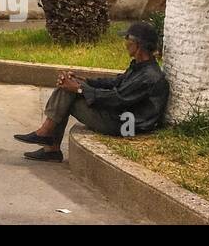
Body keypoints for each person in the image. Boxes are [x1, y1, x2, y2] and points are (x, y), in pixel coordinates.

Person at [14, 22, 170, 163]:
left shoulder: (149, 76)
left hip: (124, 125)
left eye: (128, 40)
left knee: (68, 94)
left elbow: (117, 99)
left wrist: (79, 88)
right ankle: (48, 141)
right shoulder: (140, 66)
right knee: (68, 87)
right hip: (119, 116)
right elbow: (115, 83)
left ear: (139, 45)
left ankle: (48, 139)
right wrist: (83, 80)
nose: (125, 44)